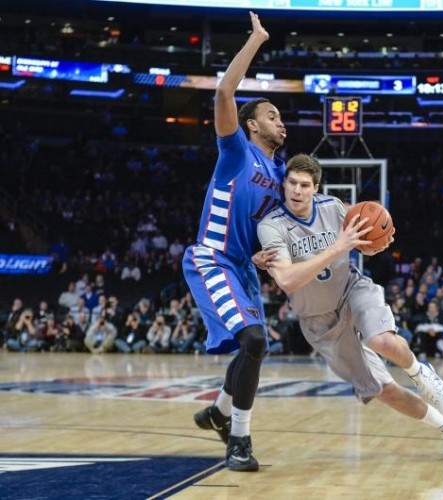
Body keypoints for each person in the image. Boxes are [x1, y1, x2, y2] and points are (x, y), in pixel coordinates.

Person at [257, 154, 443, 461]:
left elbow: (373, 231)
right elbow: (288, 280)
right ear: (284, 184)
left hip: (351, 290)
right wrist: (339, 246)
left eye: (305, 185)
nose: (297, 190)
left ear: (315, 188)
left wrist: (379, 240)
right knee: (382, 389)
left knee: (380, 339)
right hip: (318, 320)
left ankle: (420, 372)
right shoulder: (271, 226)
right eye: (292, 182)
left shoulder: (333, 208)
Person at [181, 12, 286, 472]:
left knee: (253, 348)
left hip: (243, 266)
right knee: (255, 340)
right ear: (251, 125)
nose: (281, 122)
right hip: (212, 259)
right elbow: (225, 92)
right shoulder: (235, 151)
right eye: (272, 115)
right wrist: (256, 41)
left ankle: (220, 413)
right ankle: (238, 440)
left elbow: (268, 229)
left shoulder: (281, 176)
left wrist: (266, 256)